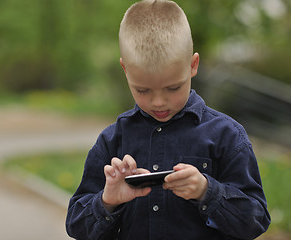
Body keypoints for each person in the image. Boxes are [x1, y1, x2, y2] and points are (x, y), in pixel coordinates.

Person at [65, 0, 271, 239]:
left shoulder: (227, 135)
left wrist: (207, 191)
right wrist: (108, 201)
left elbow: (255, 221)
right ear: (125, 71)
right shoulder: (113, 140)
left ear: (193, 65)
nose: (158, 102)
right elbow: (76, 226)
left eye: (173, 88)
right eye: (143, 90)